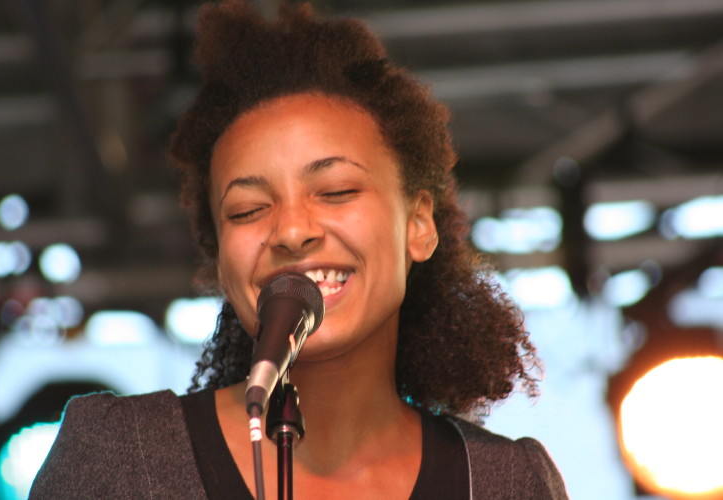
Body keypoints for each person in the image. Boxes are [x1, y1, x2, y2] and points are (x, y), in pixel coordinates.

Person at [31, 1, 568, 498]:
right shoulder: (119, 457)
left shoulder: (506, 481)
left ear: (419, 226)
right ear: (220, 256)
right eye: (246, 210)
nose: (291, 230)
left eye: (335, 192)